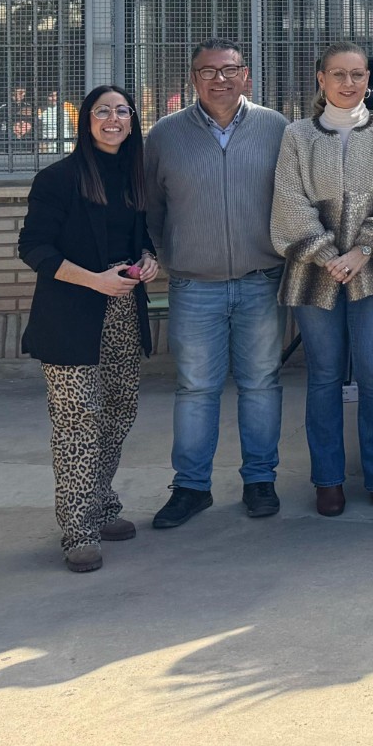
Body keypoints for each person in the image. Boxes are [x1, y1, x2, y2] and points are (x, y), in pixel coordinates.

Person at [144, 38, 289, 529]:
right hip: (194, 287)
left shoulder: (276, 129)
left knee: (261, 385)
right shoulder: (165, 136)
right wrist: (173, 259)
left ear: (247, 75)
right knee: (196, 390)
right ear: (193, 80)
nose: (220, 79)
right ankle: (190, 488)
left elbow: (293, 200)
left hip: (260, 281)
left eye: (229, 70)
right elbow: (151, 211)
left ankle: (260, 481)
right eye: (208, 71)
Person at [270, 43, 373, 516]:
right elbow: (289, 202)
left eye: (357, 75)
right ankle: (328, 480)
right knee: (325, 377)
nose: (349, 83)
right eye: (339, 74)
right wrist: (328, 255)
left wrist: (362, 250)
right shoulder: (297, 135)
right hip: (314, 274)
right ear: (321, 79)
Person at [17, 85, 158, 572]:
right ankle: (78, 530)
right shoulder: (58, 178)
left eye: (122, 110)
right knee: (79, 422)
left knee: (117, 415)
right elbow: (33, 248)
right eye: (103, 111)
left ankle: (101, 505)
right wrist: (94, 280)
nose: (113, 119)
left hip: (122, 311)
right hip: (71, 314)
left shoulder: (134, 177)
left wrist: (148, 260)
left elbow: (142, 238)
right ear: (86, 121)